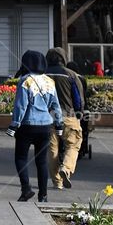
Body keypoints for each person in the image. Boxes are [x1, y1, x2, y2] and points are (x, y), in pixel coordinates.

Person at [8, 50, 63, 202]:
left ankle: (26, 189)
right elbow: (56, 106)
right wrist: (59, 124)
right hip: (45, 125)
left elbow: (21, 105)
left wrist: (14, 125)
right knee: (41, 161)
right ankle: (43, 195)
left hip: (27, 125)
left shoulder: (25, 81)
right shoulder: (49, 81)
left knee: (20, 157)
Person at [45, 47, 84, 190]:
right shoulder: (71, 75)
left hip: (48, 117)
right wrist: (79, 113)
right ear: (64, 58)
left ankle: (57, 182)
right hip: (68, 115)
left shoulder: (43, 75)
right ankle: (66, 169)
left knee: (52, 150)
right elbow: (78, 99)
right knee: (73, 144)